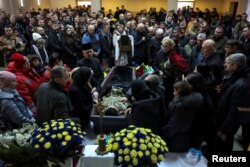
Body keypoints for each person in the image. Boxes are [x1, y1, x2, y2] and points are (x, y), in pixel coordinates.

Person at [162, 81, 203, 152]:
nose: (173, 93)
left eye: (175, 91)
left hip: (177, 140)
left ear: (180, 93)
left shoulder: (180, 108)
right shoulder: (189, 103)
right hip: (185, 137)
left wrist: (163, 132)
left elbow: (174, 125)